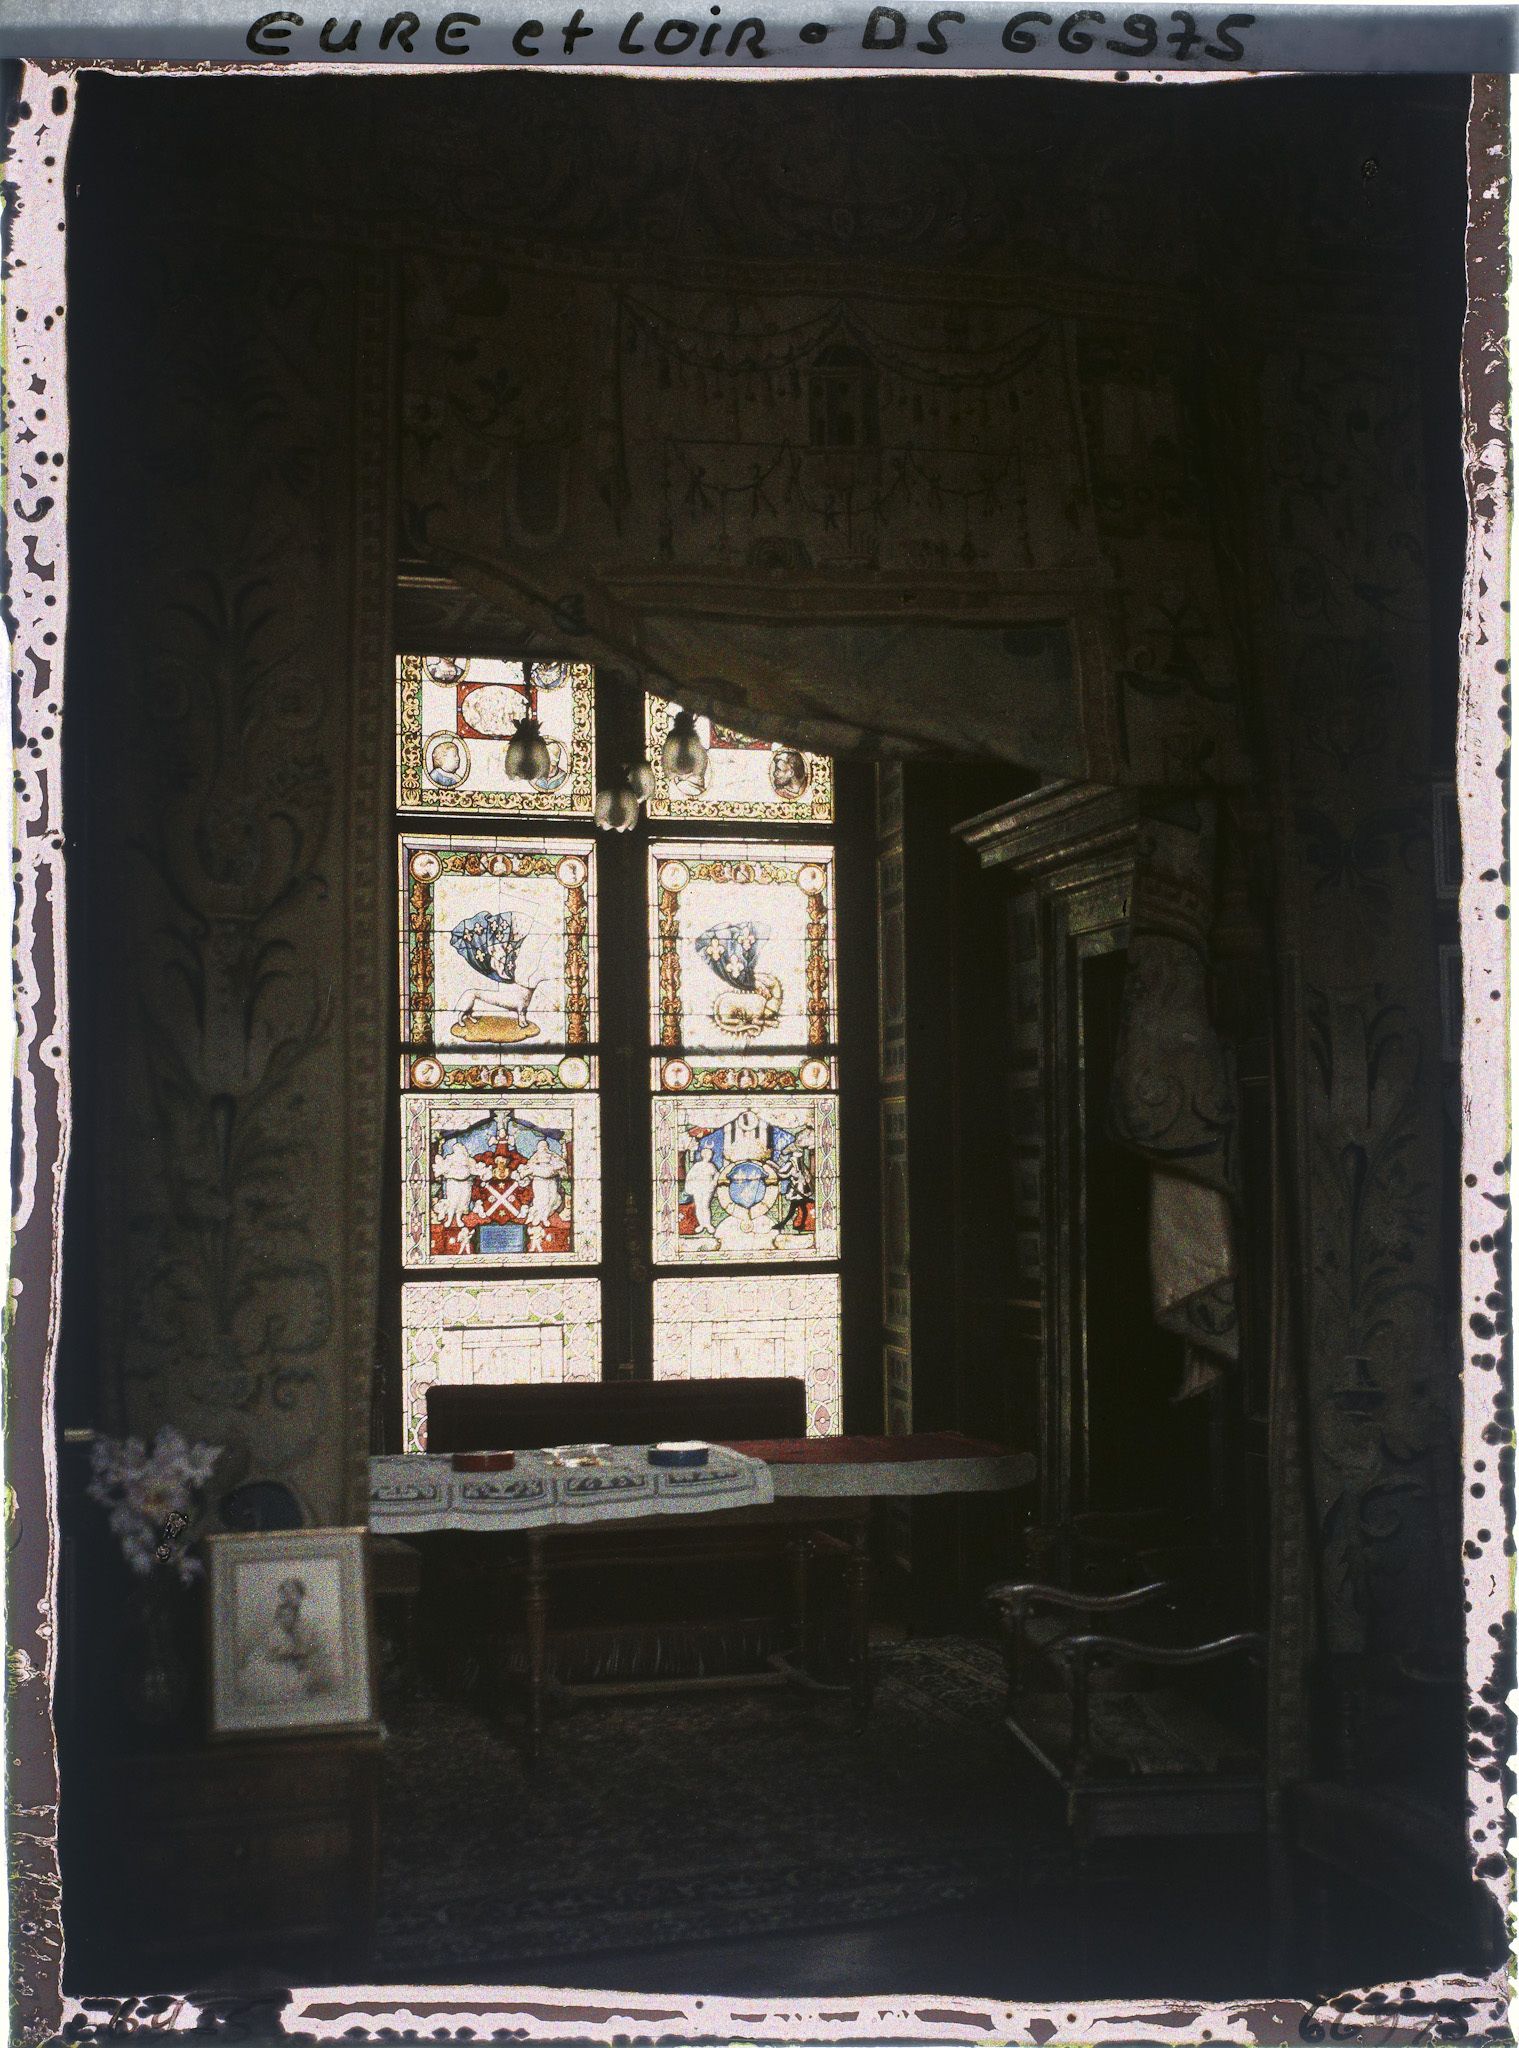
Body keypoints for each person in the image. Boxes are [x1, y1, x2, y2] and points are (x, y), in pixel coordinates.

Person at [238, 1576, 336, 1705]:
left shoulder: (307, 1614)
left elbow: (307, 1644)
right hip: (284, 1653)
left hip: (306, 1654)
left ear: (300, 1594)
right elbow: (277, 1637)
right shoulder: (284, 1612)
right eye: (285, 1593)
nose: (288, 1596)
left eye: (292, 1592)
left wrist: (294, 1652)